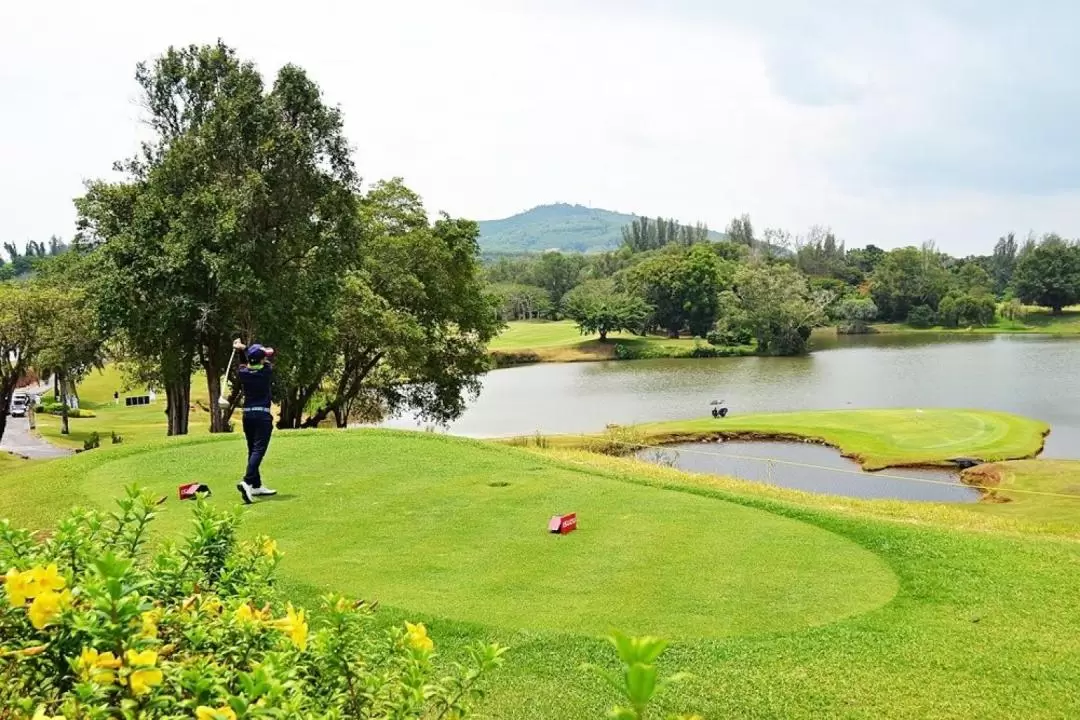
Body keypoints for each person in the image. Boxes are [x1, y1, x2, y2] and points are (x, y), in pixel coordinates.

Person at [233, 338, 278, 504]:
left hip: (248, 417)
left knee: (252, 450)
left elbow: (246, 363)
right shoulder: (266, 371)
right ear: (261, 360)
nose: (266, 358)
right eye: (264, 356)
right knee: (258, 450)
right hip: (262, 417)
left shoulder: (243, 373)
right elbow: (259, 361)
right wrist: (243, 349)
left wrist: (240, 350)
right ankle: (246, 481)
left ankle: (256, 485)